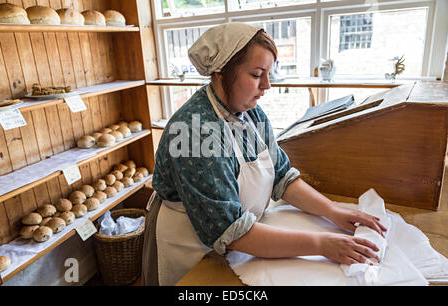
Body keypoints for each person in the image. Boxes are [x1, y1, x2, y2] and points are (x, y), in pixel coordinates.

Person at [141, 22, 387, 286]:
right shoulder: (193, 132)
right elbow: (231, 232)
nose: (267, 85)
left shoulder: (250, 112)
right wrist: (322, 244)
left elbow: (283, 177)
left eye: (269, 73)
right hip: (190, 248)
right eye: (257, 74)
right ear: (221, 72)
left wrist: (333, 211)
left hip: (242, 239)